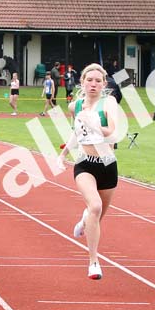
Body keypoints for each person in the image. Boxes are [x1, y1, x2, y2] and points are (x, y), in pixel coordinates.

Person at [57, 63, 119, 280]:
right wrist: (64, 153)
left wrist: (96, 126)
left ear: (104, 84)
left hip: (108, 164)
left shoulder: (108, 104)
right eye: (89, 80)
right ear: (82, 82)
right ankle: (93, 261)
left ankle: (84, 222)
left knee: (97, 215)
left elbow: (112, 133)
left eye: (98, 81)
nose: (93, 84)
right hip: (85, 163)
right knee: (95, 206)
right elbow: (78, 131)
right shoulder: (75, 106)